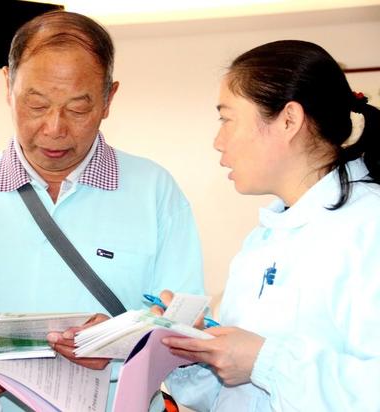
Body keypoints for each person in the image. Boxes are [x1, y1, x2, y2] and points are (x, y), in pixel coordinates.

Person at [0, 10, 204, 411]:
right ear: (7, 86)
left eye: (78, 109)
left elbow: (188, 337)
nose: (54, 128)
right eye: (36, 105)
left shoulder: (156, 192)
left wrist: (119, 342)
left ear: (108, 99)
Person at [159, 40, 380, 411]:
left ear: (289, 120)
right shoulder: (263, 241)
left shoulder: (369, 226)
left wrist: (265, 363)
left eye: (226, 119)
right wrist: (194, 350)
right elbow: (238, 394)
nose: (218, 142)